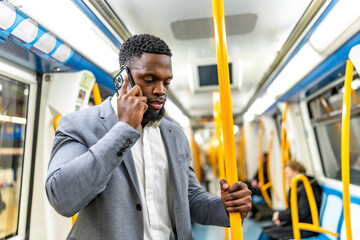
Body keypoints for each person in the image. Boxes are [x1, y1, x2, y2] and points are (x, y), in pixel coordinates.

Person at [45, 34, 252, 240]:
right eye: (149, 80)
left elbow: (189, 197)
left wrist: (225, 206)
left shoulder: (174, 135)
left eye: (167, 82)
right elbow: (62, 198)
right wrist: (123, 129)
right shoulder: (79, 125)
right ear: (123, 77)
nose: (160, 91)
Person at [259, 160, 322, 240]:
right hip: (298, 223)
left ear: (296, 171)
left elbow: (302, 213)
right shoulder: (298, 185)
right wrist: (282, 219)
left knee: (266, 235)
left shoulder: (306, 186)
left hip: (307, 227)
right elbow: (294, 208)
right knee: (266, 229)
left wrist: (280, 215)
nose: (286, 176)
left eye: (287, 173)